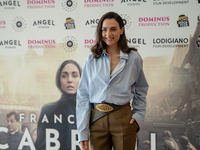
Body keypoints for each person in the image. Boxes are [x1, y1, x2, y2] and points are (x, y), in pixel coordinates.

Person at [76, 11, 149, 150]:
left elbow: (141, 88)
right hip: (96, 119)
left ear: (122, 30)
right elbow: (83, 95)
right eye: (104, 29)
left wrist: (138, 116)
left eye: (113, 29)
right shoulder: (91, 59)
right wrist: (82, 131)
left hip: (124, 119)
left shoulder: (134, 58)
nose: (108, 34)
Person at [35, 60, 82, 150]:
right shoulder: (48, 110)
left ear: (82, 79)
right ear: (58, 79)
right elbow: (40, 146)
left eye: (75, 75)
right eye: (64, 76)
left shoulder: (90, 110)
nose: (69, 80)